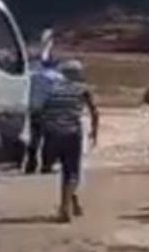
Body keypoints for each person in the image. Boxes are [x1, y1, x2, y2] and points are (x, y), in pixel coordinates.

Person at [40, 60, 99, 223]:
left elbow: (43, 112)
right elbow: (94, 111)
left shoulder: (52, 89)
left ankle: (72, 202)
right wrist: (95, 132)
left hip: (53, 134)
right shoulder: (82, 89)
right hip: (72, 133)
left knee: (65, 172)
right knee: (72, 172)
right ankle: (65, 208)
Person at [24, 57, 63, 174]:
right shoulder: (57, 78)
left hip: (34, 110)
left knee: (34, 138)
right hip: (49, 111)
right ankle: (46, 166)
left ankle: (30, 165)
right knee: (49, 139)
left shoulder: (33, 76)